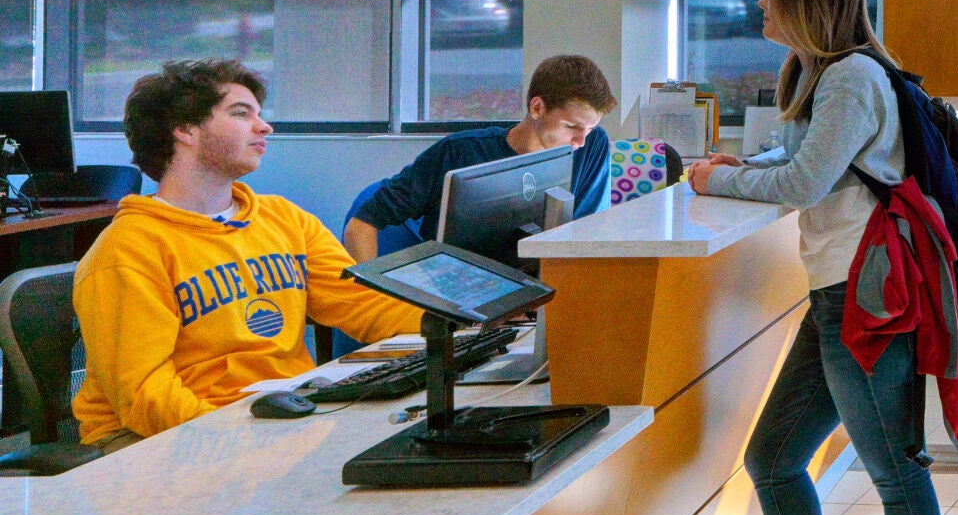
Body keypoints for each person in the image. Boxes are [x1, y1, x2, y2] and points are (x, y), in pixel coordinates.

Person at [691, 0, 939, 515]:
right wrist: (744, 169)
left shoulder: (854, 77)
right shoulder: (814, 72)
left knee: (896, 472)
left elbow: (805, 182)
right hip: (836, 294)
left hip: (867, 301)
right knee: (772, 459)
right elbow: (802, 163)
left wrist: (714, 180)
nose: (760, 4)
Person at [71, 60, 417, 443]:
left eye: (260, 114)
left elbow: (365, 304)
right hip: (154, 437)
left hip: (278, 416)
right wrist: (241, 440)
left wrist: (468, 326)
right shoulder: (129, 249)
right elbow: (145, 396)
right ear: (185, 130)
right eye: (241, 114)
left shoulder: (285, 219)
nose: (264, 126)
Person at [342, 53, 616, 261]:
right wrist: (375, 303)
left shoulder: (592, 145)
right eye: (571, 127)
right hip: (456, 299)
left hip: (534, 296)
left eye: (590, 129)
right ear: (537, 107)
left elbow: (582, 237)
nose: (581, 141)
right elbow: (361, 225)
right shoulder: (460, 152)